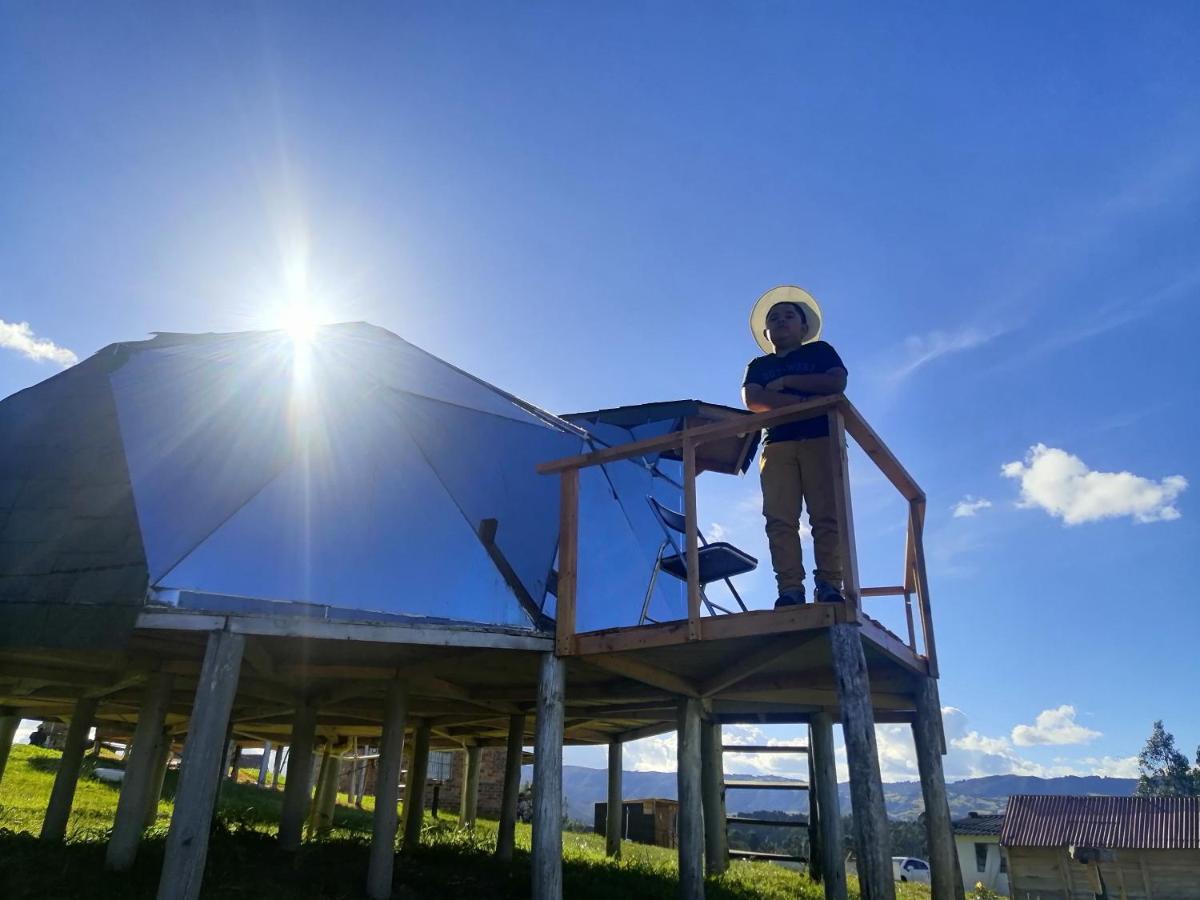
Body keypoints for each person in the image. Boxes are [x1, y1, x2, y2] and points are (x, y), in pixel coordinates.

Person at [741, 286, 848, 608]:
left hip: (821, 438)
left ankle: (830, 585)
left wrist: (787, 384)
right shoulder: (758, 365)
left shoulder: (820, 352)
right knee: (780, 518)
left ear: (804, 327)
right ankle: (790, 589)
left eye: (789, 316)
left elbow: (836, 382)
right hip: (777, 444)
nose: (781, 321)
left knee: (827, 515)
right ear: (766, 331)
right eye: (774, 318)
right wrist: (804, 402)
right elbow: (754, 399)